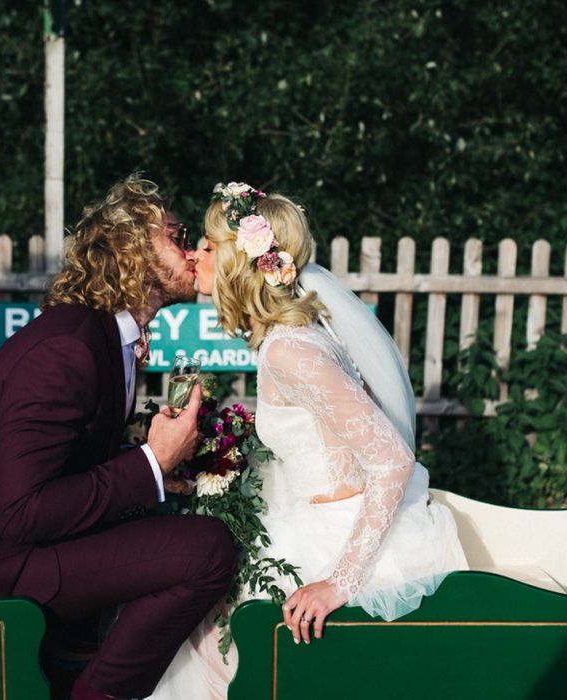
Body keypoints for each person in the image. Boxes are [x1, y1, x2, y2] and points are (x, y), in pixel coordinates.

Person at [0, 175, 238, 700]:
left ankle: (77, 650)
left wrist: (157, 469)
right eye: (178, 234)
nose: (193, 251)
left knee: (178, 521)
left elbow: (64, 466)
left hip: (9, 549)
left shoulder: (105, 334)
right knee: (208, 551)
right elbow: (23, 511)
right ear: (131, 248)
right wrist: (150, 462)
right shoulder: (68, 348)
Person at [149, 182, 468, 700]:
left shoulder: (289, 350)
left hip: (337, 541)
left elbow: (392, 461)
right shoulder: (287, 338)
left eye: (207, 246)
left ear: (236, 261)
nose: (194, 254)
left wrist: (338, 582)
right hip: (307, 520)